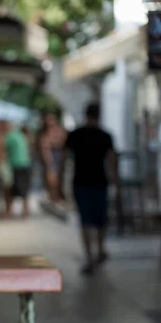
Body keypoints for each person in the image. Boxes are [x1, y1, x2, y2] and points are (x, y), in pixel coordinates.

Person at [60, 103, 120, 275]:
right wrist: (117, 185)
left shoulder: (75, 135)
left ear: (86, 115)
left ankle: (90, 256)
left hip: (80, 182)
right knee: (100, 219)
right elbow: (112, 162)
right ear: (99, 115)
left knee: (85, 220)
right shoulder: (105, 136)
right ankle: (100, 249)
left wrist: (58, 184)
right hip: (100, 181)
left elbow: (64, 160)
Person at [37, 111, 66, 203]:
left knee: (58, 178)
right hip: (50, 157)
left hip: (58, 156)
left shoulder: (59, 130)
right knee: (51, 178)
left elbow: (63, 141)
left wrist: (52, 143)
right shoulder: (44, 132)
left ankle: (56, 196)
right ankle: (53, 197)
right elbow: (44, 145)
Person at [5, 126, 32, 217]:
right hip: (25, 164)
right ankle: (25, 210)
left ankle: (10, 211)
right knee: (23, 189)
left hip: (16, 165)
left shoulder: (9, 136)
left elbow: (3, 149)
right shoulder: (22, 137)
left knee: (14, 188)